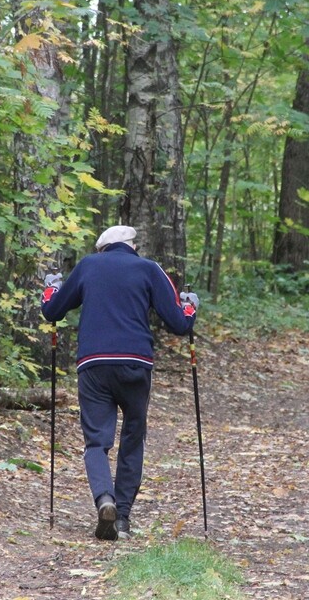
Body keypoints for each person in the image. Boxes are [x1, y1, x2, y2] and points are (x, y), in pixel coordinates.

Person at [40, 225, 199, 541]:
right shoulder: (149, 269)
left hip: (94, 364)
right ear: (132, 246)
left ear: (103, 249)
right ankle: (122, 518)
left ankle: (105, 500)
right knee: (133, 437)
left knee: (96, 442)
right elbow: (179, 323)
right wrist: (191, 305)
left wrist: (50, 288)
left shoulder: (88, 265)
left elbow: (52, 311)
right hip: (136, 364)